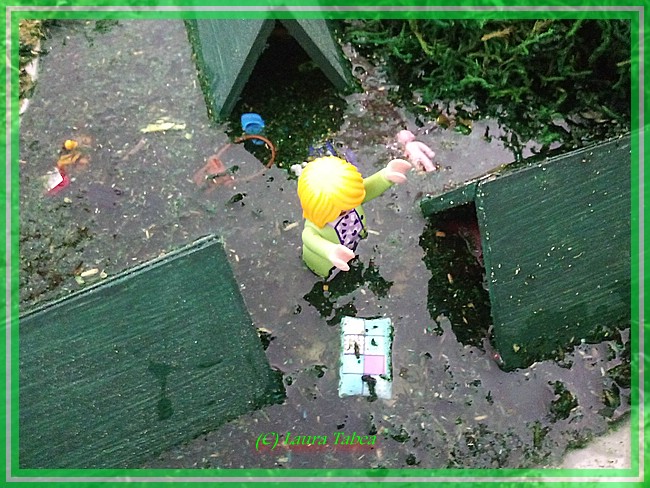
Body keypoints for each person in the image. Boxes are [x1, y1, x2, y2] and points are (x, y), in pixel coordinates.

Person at [297, 156, 411, 279]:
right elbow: (311, 240)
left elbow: (366, 189)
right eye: (342, 210)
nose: (350, 207)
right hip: (328, 266)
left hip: (355, 245)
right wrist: (331, 251)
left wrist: (385, 176)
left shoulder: (349, 201)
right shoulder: (315, 228)